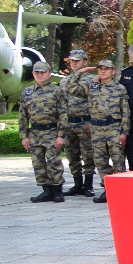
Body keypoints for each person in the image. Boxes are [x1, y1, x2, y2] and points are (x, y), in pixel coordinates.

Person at [19, 62, 68, 202]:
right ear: (33, 74)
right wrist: (24, 136)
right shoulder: (27, 92)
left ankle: (57, 190)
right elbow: (22, 116)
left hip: (51, 131)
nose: (40, 75)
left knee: (53, 162)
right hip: (34, 132)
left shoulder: (57, 91)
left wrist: (61, 136)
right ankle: (46, 191)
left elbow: (63, 115)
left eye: (43, 72)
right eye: (37, 72)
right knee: (38, 164)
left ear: (49, 73)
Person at [87, 59, 129, 203]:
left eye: (106, 68)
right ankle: (108, 190)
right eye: (100, 68)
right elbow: (69, 87)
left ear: (113, 71)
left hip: (114, 128)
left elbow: (125, 112)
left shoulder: (119, 89)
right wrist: (80, 72)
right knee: (100, 161)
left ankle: (122, 191)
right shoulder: (92, 87)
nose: (103, 71)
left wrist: (124, 132)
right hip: (97, 128)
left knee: (118, 160)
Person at [61, 49, 95, 196]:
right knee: (72, 155)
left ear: (85, 62)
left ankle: (88, 185)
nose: (74, 63)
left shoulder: (90, 80)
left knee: (88, 155)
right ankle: (77, 184)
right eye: (72, 61)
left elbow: (76, 90)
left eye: (78, 61)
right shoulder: (64, 80)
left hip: (84, 122)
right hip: (69, 123)